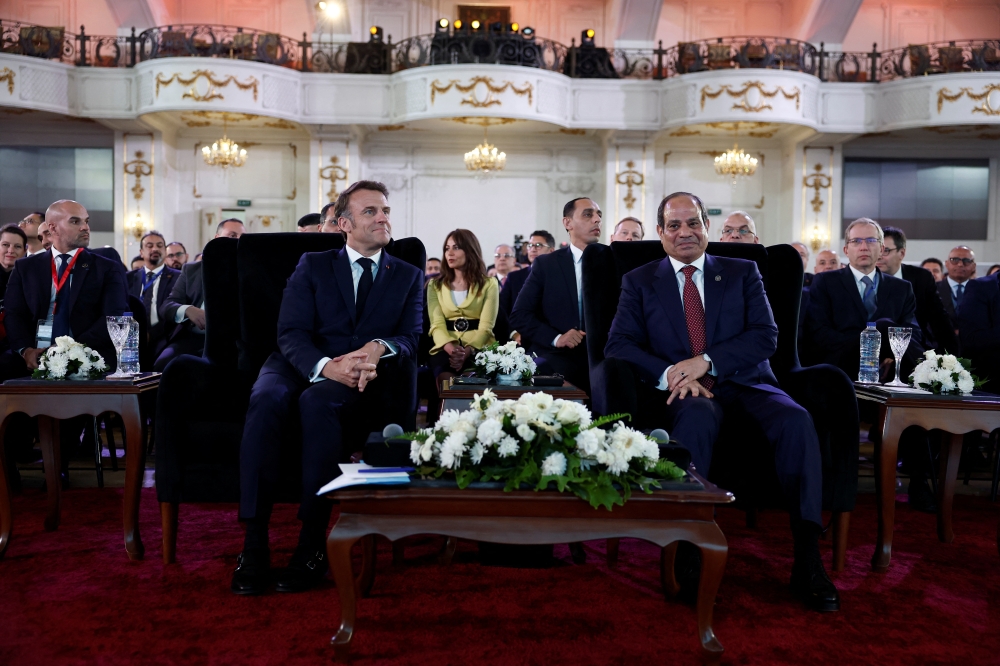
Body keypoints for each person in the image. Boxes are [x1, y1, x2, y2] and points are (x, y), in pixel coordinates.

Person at [604, 191, 837, 612]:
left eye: (693, 222)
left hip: (747, 381)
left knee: (796, 420)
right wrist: (674, 372)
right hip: (685, 391)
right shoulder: (640, 280)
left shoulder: (742, 271)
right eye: (674, 225)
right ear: (660, 233)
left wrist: (705, 363)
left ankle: (807, 556)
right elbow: (619, 344)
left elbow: (766, 336)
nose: (685, 232)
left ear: (706, 228)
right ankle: (689, 553)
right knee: (696, 418)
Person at [232, 180, 422, 596]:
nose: (383, 217)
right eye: (371, 211)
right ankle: (254, 545)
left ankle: (310, 545)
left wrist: (378, 346)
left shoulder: (406, 274)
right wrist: (323, 366)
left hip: (359, 372)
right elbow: (290, 331)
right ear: (344, 223)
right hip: (297, 360)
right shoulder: (312, 265)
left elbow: (411, 337)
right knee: (266, 399)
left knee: (318, 403)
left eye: (385, 210)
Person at [803, 218, 922, 380]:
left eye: (871, 241)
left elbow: (911, 334)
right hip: (839, 372)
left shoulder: (901, 288)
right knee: (884, 325)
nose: (864, 247)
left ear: (881, 249)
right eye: (856, 241)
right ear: (846, 250)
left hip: (889, 375)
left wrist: (891, 358)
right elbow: (819, 332)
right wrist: (868, 351)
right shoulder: (826, 282)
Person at [511, 199, 602, 393]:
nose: (596, 220)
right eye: (588, 214)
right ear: (567, 223)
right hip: (556, 353)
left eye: (598, 215)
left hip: (601, 354)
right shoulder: (547, 265)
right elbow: (520, 314)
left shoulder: (611, 261)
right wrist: (557, 337)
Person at [157, 219, 246, 371]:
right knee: (163, 364)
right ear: (217, 239)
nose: (237, 241)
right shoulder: (192, 270)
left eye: (241, 237)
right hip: (194, 337)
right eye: (232, 235)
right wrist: (188, 310)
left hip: (234, 341)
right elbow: (168, 305)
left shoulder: (249, 271)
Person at [427, 230, 499, 382]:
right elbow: (436, 324)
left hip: (480, 348)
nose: (450, 253)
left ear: (470, 250)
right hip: (445, 347)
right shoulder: (435, 285)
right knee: (445, 381)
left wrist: (467, 351)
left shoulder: (489, 284)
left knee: (471, 384)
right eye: (447, 248)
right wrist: (452, 350)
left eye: (456, 247)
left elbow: (486, 327)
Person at [878, 226, 957, 354]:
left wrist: (951, 359)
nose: (879, 256)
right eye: (877, 250)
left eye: (886, 250)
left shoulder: (921, 278)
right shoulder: (867, 278)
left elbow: (939, 319)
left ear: (901, 253)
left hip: (916, 348)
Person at [126, 231, 181, 362]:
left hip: (164, 337)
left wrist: (153, 333)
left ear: (165, 250)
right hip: (131, 338)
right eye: (149, 246)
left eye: (159, 245)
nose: (155, 249)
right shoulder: (129, 278)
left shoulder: (178, 277)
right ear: (141, 252)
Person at [501, 230, 555, 344]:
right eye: (530, 245)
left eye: (539, 245)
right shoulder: (514, 277)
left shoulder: (558, 277)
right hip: (521, 340)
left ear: (551, 251)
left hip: (552, 339)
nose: (533, 249)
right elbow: (502, 309)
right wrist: (513, 333)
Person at [937, 246, 976, 332]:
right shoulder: (932, 289)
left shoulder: (982, 291)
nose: (960, 264)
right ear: (946, 264)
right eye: (955, 260)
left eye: (966, 261)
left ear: (974, 266)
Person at [0, 224, 27, 300]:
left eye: (17, 246)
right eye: (5, 245)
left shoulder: (29, 279)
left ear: (24, 251)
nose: (11, 251)